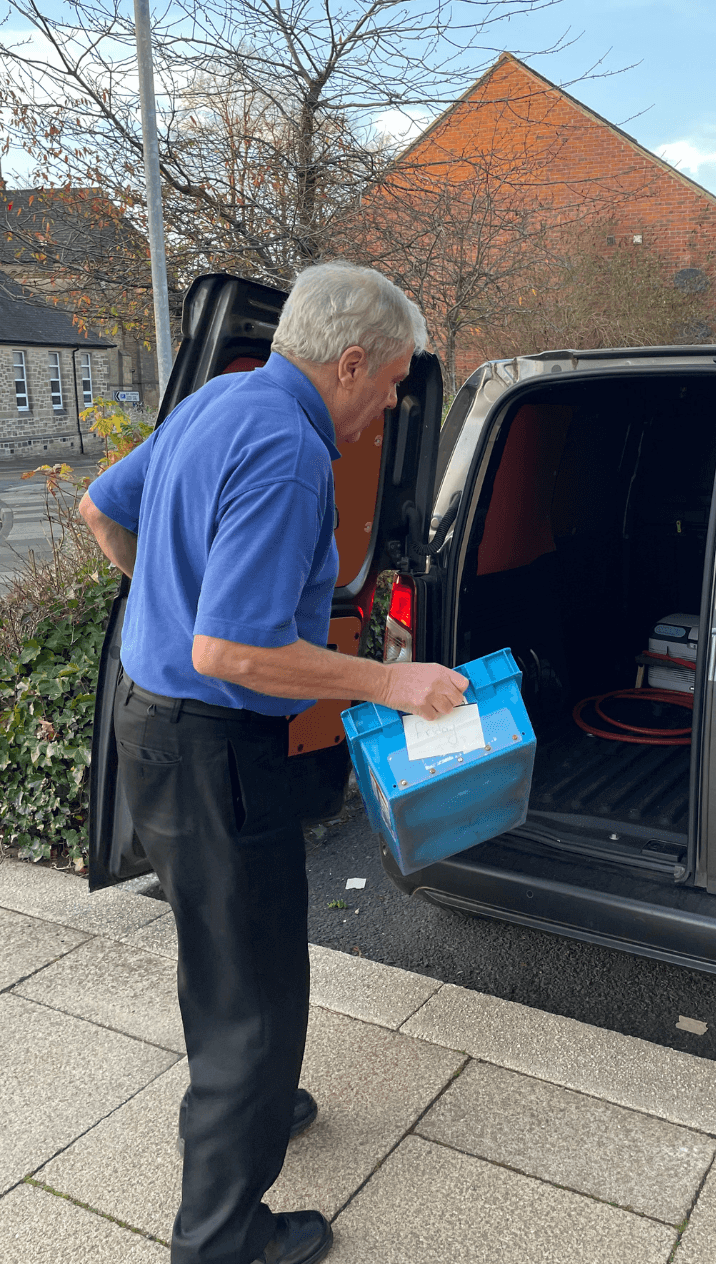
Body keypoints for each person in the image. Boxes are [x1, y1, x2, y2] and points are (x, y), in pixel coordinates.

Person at [80, 261, 468, 1264]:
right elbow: (231, 651)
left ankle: (259, 1099)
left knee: (227, 947)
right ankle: (220, 1236)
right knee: (250, 986)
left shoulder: (222, 397)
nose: (389, 402)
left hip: (153, 721)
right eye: (389, 383)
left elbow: (98, 507)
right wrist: (393, 686)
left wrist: (160, 598)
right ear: (349, 362)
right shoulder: (291, 450)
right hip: (213, 745)